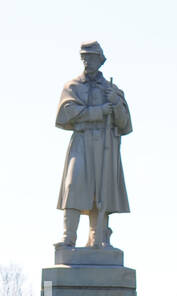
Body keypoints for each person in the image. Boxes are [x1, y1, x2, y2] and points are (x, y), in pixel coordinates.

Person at [56, 41, 131, 249]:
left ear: (100, 60)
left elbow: (125, 124)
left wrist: (115, 104)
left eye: (91, 57)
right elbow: (67, 113)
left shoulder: (112, 90)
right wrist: (98, 111)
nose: (87, 61)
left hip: (106, 144)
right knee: (74, 186)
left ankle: (99, 238)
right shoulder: (73, 87)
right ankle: (68, 237)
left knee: (102, 191)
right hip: (82, 140)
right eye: (84, 57)